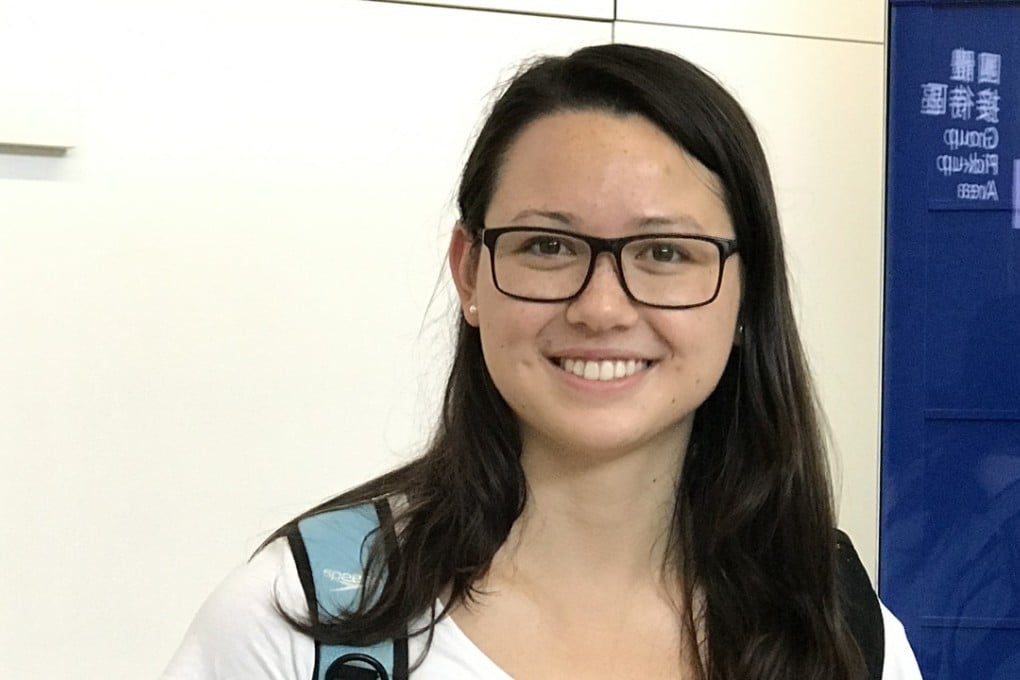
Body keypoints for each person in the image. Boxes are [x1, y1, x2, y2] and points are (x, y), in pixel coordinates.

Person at [162, 44, 923, 679]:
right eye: (548, 246)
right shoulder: (309, 618)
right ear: (469, 274)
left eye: (664, 252)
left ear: (745, 295)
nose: (601, 308)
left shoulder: (840, 628)